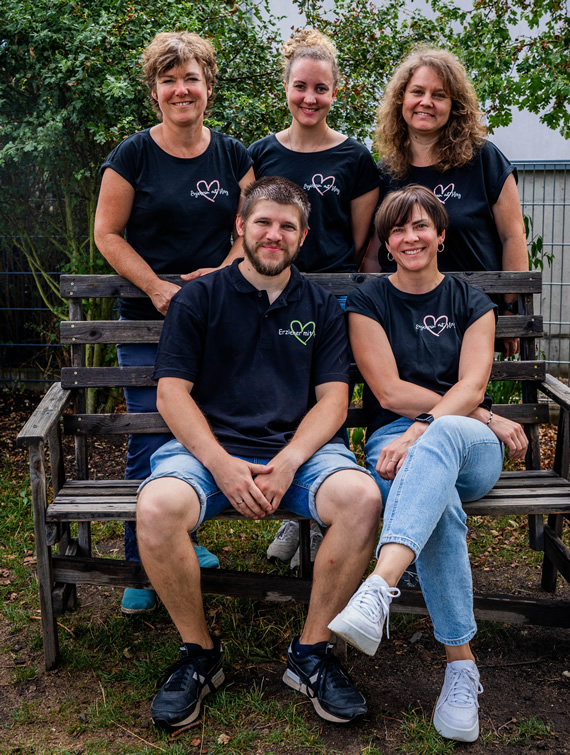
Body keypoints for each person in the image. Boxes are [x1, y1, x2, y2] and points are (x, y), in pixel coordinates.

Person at [135, 176, 382, 730]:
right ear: (240, 226)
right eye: (264, 222)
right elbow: (171, 393)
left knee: (362, 497)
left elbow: (334, 400)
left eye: (288, 226)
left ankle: (312, 654)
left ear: (304, 236)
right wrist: (221, 465)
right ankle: (200, 656)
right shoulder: (198, 298)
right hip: (207, 451)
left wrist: (292, 460)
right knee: (156, 508)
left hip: (299, 455)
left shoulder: (320, 305)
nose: (275, 234)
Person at [328, 185, 528, 743]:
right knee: (440, 507)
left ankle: (379, 586)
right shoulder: (368, 300)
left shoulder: (470, 299)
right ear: (387, 243)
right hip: (399, 441)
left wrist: (440, 423)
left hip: (470, 444)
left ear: (441, 235)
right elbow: (387, 391)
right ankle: (461, 667)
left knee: (439, 443)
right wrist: (459, 416)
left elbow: (473, 384)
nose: (409, 237)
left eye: (421, 227)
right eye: (397, 229)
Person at [94, 32, 255, 614]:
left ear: (208, 87)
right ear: (155, 91)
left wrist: (218, 277)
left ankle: (182, 537)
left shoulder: (234, 157)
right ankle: (142, 565)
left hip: (213, 319)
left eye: (191, 78)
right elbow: (107, 234)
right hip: (147, 319)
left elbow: (252, 230)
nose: (181, 89)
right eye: (169, 80)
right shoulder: (133, 155)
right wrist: (159, 287)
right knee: (150, 437)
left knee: (200, 432)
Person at [250, 28, 380, 567]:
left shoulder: (355, 157)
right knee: (287, 401)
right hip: (273, 296)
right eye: (301, 86)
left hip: (335, 299)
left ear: (335, 92)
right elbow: (253, 236)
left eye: (321, 88)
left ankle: (330, 515)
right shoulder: (259, 153)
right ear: (286, 87)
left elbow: (361, 241)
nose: (310, 98)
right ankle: (293, 517)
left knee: (334, 402)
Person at [361, 47, 528, 359]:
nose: (426, 102)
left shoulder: (484, 160)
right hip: (402, 319)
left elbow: (513, 235)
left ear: (455, 106)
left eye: (439, 95)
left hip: (472, 319)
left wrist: (509, 307)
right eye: (417, 92)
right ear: (401, 100)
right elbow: (373, 253)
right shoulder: (385, 172)